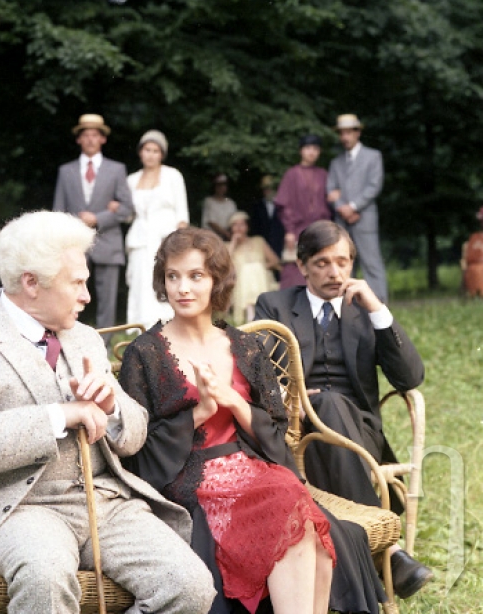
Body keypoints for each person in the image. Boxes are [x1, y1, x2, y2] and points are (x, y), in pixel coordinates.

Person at [0, 211, 216, 614]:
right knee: (45, 580)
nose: (87, 297)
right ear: (31, 283)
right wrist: (60, 415)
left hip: (107, 503)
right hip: (20, 509)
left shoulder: (85, 338)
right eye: (77, 283)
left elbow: (134, 437)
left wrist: (111, 407)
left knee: (190, 586)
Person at [120, 227, 387, 614]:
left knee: (304, 521)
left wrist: (235, 403)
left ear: (216, 280)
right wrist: (201, 411)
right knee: (293, 509)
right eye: (173, 276)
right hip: (190, 477)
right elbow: (135, 450)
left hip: (255, 467)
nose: (183, 288)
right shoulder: (145, 354)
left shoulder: (245, 346)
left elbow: (277, 431)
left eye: (196, 276)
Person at [255, 220, 433, 600]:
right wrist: (291, 398)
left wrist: (377, 310)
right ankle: (385, 551)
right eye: (322, 263)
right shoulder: (275, 305)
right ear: (302, 266)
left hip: (359, 433)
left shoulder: (365, 310)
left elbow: (410, 377)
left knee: (332, 403)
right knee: (324, 403)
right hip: (297, 432)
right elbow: (258, 372)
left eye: (342, 262)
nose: (334, 273)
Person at [53, 114, 134, 339]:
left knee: (107, 298)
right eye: (85, 135)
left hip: (107, 241)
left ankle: (104, 343)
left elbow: (126, 208)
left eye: (95, 135)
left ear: (102, 139)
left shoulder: (116, 169)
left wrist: (98, 218)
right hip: (74, 244)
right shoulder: (66, 171)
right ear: (78, 139)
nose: (90, 139)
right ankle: (69, 338)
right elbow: (58, 210)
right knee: (69, 293)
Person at [125, 130, 189, 328]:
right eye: (147, 150)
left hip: (164, 236)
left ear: (162, 154)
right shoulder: (132, 180)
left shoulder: (173, 176)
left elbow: (182, 213)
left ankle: (166, 323)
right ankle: (139, 325)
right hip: (140, 237)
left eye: (155, 151)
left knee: (164, 276)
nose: (151, 155)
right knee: (139, 280)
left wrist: (178, 241)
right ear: (140, 152)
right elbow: (128, 214)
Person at [327, 114, 388, 302]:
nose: (344, 137)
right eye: (341, 133)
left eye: (348, 132)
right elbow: (330, 191)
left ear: (357, 133)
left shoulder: (373, 156)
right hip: (342, 220)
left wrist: (353, 207)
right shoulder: (336, 162)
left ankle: (379, 304)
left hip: (364, 218)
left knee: (371, 262)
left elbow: (374, 186)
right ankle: (347, 305)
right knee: (343, 262)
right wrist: (343, 209)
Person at [274, 134, 332, 289]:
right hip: (297, 229)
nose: (311, 152)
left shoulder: (323, 174)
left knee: (320, 265)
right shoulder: (292, 174)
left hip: (320, 229)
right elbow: (284, 205)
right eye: (308, 148)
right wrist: (289, 230)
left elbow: (329, 201)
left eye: (315, 149)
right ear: (301, 151)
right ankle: (291, 302)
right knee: (295, 268)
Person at [227, 211, 279, 323]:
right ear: (231, 228)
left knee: (253, 269)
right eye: (235, 225)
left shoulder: (258, 241)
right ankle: (251, 310)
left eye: (242, 224)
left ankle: (254, 311)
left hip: (262, 279)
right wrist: (233, 243)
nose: (239, 228)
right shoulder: (229, 246)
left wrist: (259, 268)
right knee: (246, 271)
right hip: (240, 282)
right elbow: (224, 264)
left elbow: (274, 261)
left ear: (247, 227)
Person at [248, 175, 285, 275]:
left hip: (280, 246)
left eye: (270, 188)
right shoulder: (256, 207)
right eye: (265, 188)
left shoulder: (283, 206)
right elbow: (254, 230)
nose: (268, 191)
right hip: (263, 247)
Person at [201, 174, 237, 240]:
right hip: (211, 236)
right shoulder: (209, 201)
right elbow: (211, 222)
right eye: (219, 185)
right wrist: (226, 233)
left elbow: (235, 220)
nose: (221, 188)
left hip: (227, 236)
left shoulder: (231, 203)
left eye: (224, 185)